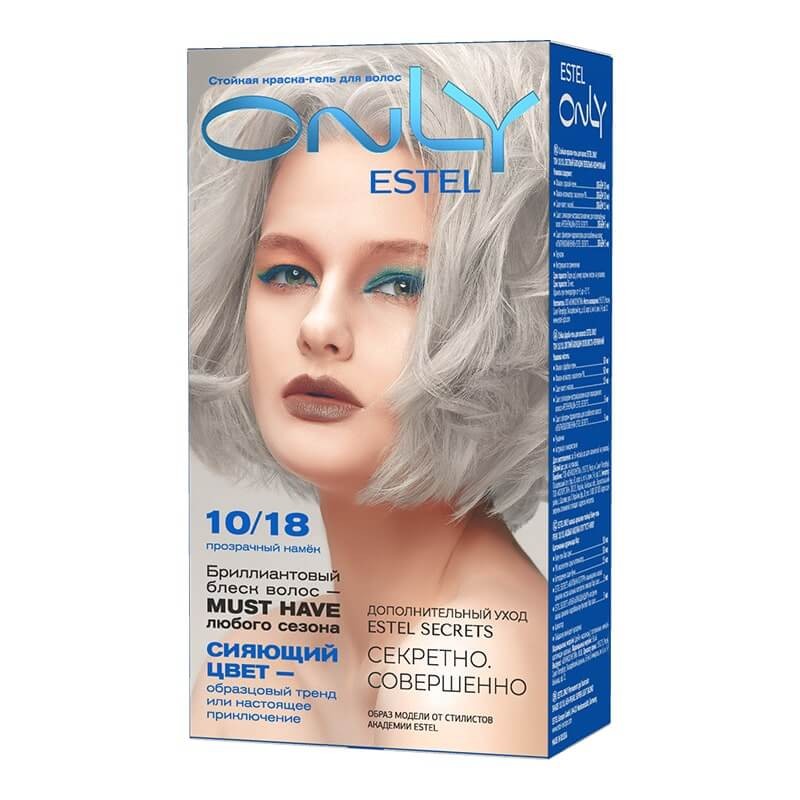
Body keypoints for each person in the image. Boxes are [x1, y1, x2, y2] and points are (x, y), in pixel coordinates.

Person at [190, 42, 550, 755]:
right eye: (288, 273)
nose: (319, 326)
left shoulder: (467, 678)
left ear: (499, 328)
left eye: (400, 285)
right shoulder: (266, 663)